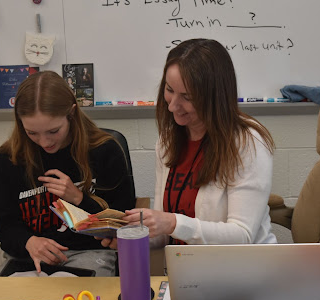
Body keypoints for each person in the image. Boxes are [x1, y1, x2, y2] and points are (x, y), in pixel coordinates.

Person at [100, 38, 276, 249]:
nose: (173, 106)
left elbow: (242, 235)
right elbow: (164, 236)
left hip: (242, 274)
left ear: (214, 97)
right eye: (169, 89)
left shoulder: (247, 143)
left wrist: (173, 223)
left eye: (187, 97)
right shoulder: (168, 142)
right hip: (186, 272)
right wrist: (132, 237)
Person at [0, 70, 135, 276]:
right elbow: (6, 225)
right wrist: (29, 242)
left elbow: (120, 223)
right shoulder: (8, 158)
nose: (44, 142)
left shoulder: (105, 150)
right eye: (32, 133)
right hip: (29, 256)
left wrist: (79, 198)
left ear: (71, 113)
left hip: (87, 253)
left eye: (53, 131)